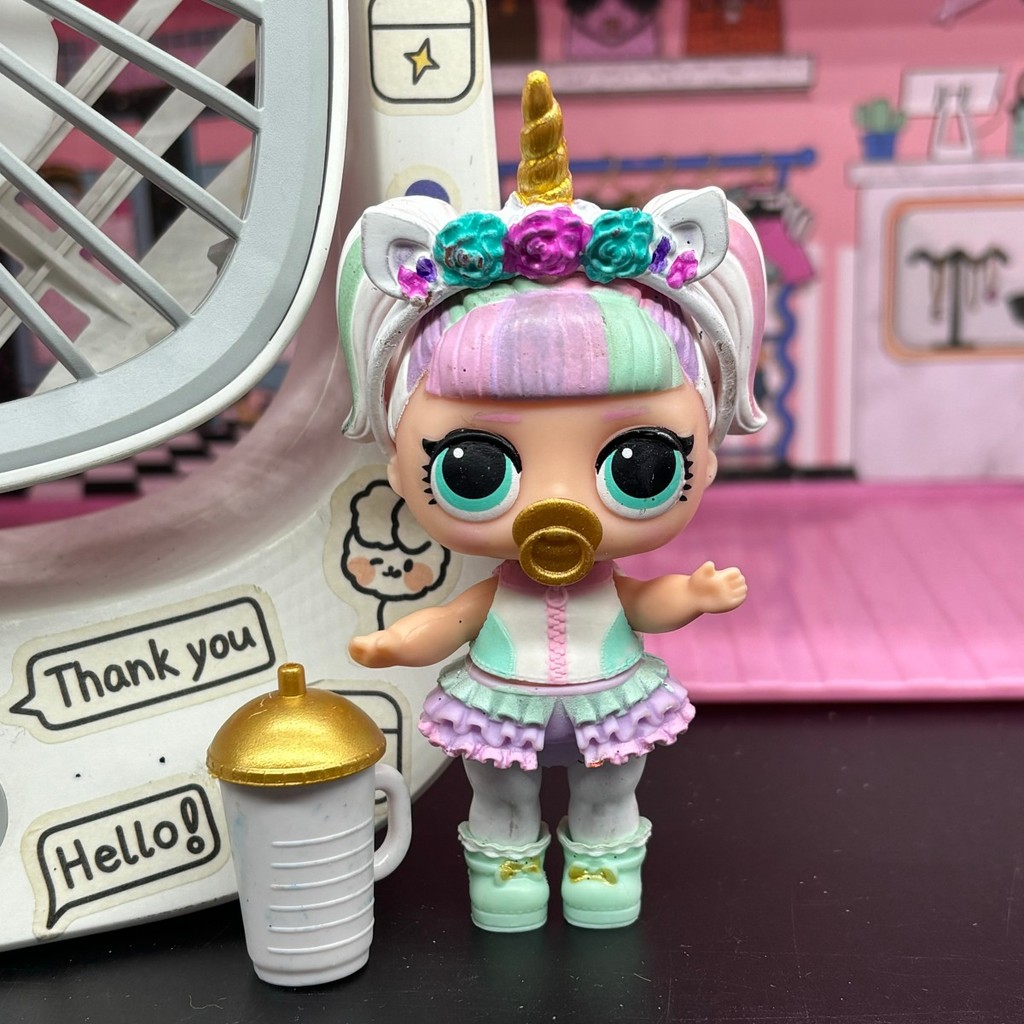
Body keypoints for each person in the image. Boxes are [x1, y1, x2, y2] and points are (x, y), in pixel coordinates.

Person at [338, 71, 766, 931]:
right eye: (474, 466)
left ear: (707, 458)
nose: (558, 505)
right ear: (402, 469)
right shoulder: (500, 590)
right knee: (500, 793)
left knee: (612, 788)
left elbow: (642, 602)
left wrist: (693, 594)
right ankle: (507, 877)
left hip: (609, 696)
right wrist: (395, 642)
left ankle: (604, 872)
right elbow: (451, 621)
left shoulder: (604, 580)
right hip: (503, 699)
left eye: (641, 464)